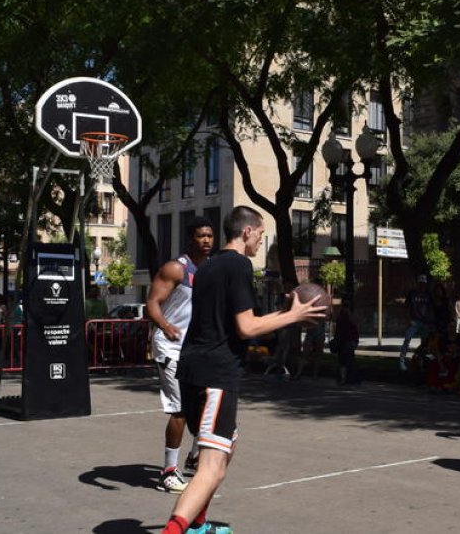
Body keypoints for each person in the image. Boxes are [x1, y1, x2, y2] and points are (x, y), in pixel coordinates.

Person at [161, 206, 327, 534]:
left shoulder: (207, 266)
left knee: (226, 445)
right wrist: (294, 316)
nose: (260, 242)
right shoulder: (239, 265)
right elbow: (246, 327)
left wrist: (282, 311)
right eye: (261, 235)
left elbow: (228, 318)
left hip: (193, 370)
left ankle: (196, 522)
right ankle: (177, 530)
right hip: (216, 376)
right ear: (247, 231)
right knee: (211, 465)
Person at [145, 215, 215, 494]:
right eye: (201, 236)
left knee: (207, 402)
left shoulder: (210, 270)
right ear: (191, 239)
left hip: (194, 348)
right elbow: (151, 303)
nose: (207, 240)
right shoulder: (176, 268)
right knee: (180, 409)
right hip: (169, 345)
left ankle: (195, 454)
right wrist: (165, 325)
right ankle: (168, 473)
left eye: (210, 235)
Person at [399, 275, 432, 370]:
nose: (422, 285)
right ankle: (402, 360)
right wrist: (408, 320)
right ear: (418, 283)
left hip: (424, 321)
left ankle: (422, 360)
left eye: (423, 283)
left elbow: (430, 308)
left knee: (424, 342)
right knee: (407, 339)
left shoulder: (428, 294)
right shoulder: (412, 293)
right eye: (420, 283)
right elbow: (406, 307)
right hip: (414, 321)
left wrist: (429, 321)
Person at [331, 301, 360, 385]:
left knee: (347, 359)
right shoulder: (340, 316)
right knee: (343, 360)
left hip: (349, 340)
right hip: (343, 340)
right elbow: (334, 321)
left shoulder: (350, 315)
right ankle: (344, 378)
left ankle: (347, 378)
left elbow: (355, 323)